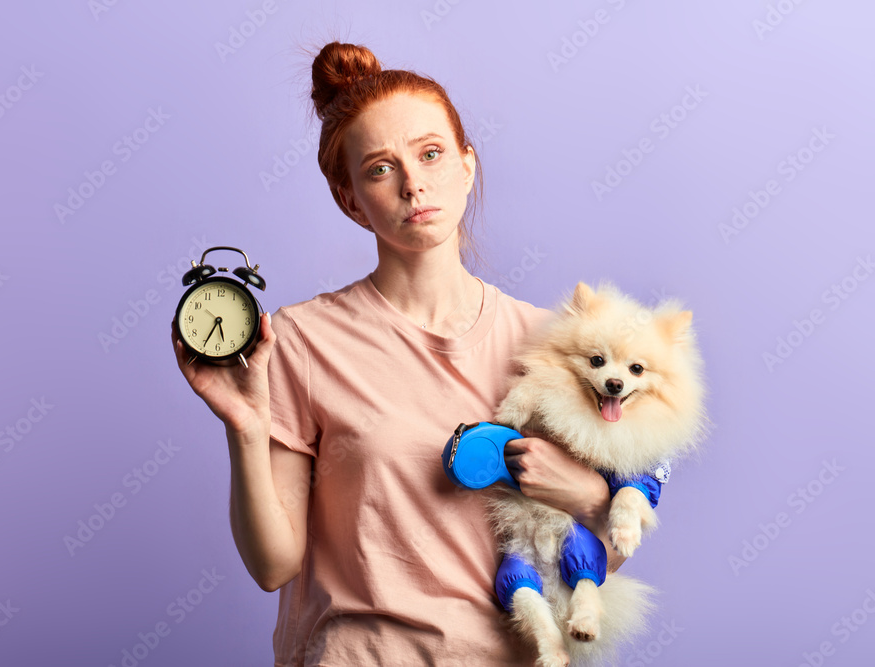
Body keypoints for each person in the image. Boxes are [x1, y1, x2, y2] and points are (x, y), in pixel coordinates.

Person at [171, 41, 627, 666]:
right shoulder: (304, 341)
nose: (414, 184)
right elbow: (273, 565)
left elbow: (599, 551)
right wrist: (246, 428)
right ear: (351, 197)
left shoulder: (555, 345)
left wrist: (589, 495)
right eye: (381, 168)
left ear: (468, 165)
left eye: (432, 154)